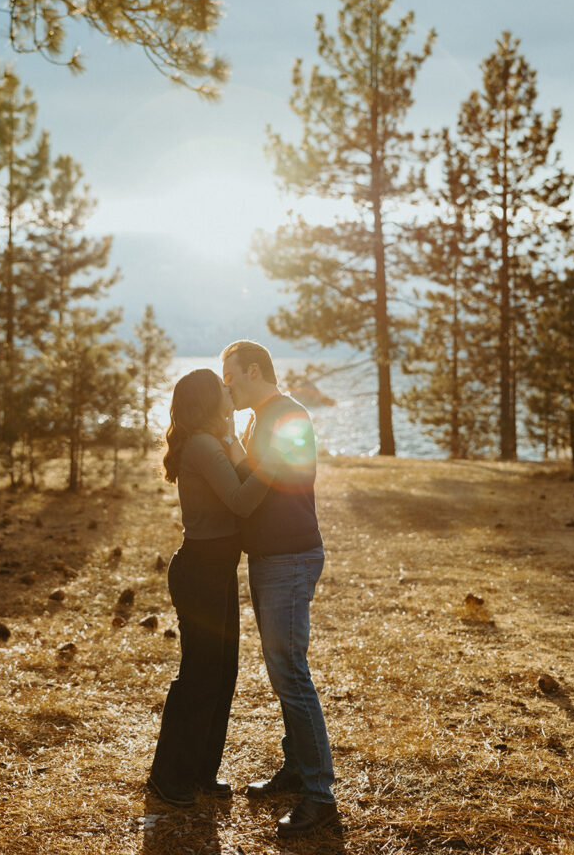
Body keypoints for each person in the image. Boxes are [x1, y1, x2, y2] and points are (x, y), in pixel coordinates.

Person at [221, 340, 337, 838]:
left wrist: (228, 447)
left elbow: (268, 481)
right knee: (281, 670)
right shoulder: (260, 417)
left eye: (232, 380)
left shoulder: (286, 415)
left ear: (253, 370)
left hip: (289, 557)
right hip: (271, 556)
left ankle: (320, 796)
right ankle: (296, 770)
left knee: (290, 671)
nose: (228, 389)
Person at [147, 367, 277, 807]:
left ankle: (201, 771)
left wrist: (237, 440)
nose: (230, 389)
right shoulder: (202, 446)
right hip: (200, 571)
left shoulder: (213, 440)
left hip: (217, 570)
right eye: (222, 388)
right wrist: (273, 466)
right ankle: (167, 776)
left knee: (222, 674)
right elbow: (241, 500)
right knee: (200, 675)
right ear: (207, 400)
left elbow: (239, 481)